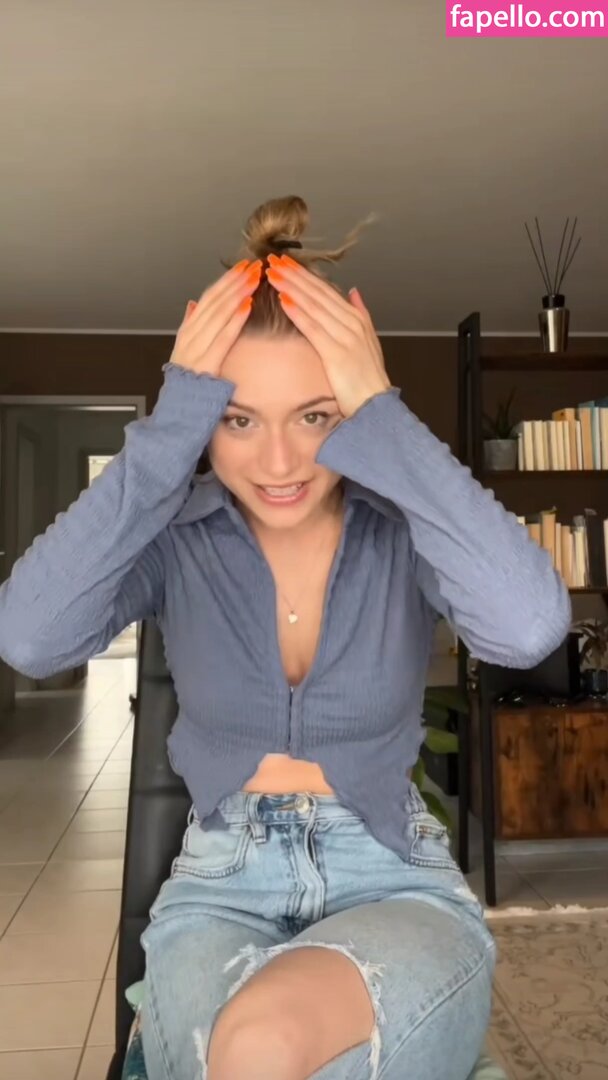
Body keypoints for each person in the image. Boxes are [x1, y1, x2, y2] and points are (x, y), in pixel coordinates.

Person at [0, 195, 571, 1080]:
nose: (277, 463)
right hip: (219, 889)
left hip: (393, 875)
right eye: (236, 419)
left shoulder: (400, 531)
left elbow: (528, 626)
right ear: (202, 420)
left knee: (266, 1048)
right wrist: (166, 434)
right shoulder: (176, 540)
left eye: (315, 415)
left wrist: (383, 411)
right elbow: (29, 637)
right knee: (266, 1053)